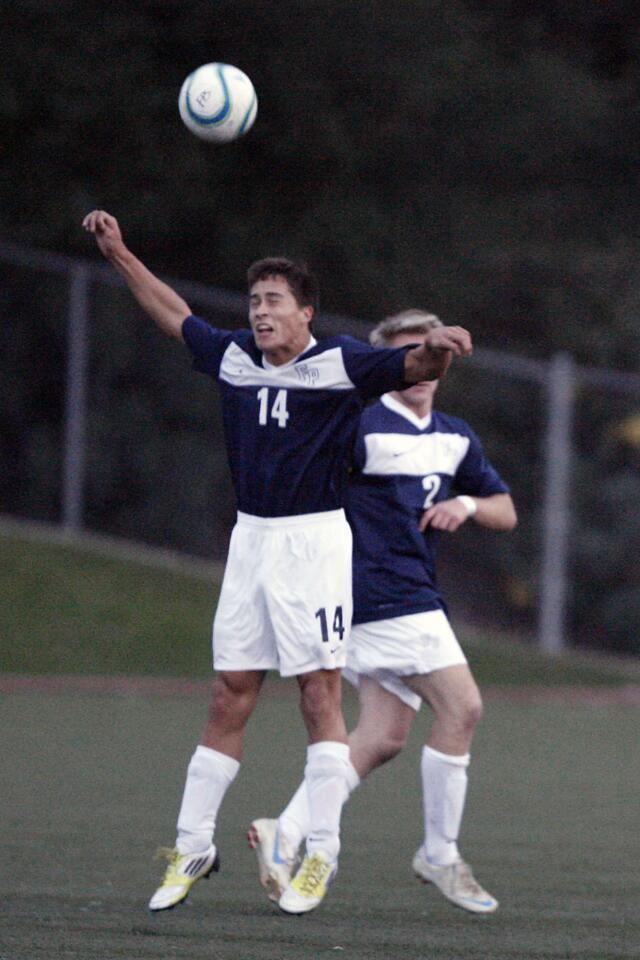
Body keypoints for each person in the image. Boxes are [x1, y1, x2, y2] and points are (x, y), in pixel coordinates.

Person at [82, 212, 473, 915]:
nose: (260, 312)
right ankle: (192, 844)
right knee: (229, 694)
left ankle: (321, 851)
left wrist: (440, 350)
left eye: (274, 302)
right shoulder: (232, 355)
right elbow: (175, 315)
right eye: (255, 300)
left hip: (315, 545)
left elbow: (415, 365)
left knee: (319, 698)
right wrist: (119, 253)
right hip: (251, 543)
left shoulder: (343, 361)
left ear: (306, 314)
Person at [248, 309, 516, 914]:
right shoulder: (361, 426)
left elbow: (506, 510)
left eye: (431, 352)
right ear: (390, 364)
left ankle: (285, 831)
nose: (422, 367)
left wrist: (467, 506)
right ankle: (439, 855)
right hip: (379, 594)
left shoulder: (453, 435)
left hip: (405, 594)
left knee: (383, 735)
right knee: (464, 706)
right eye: (408, 355)